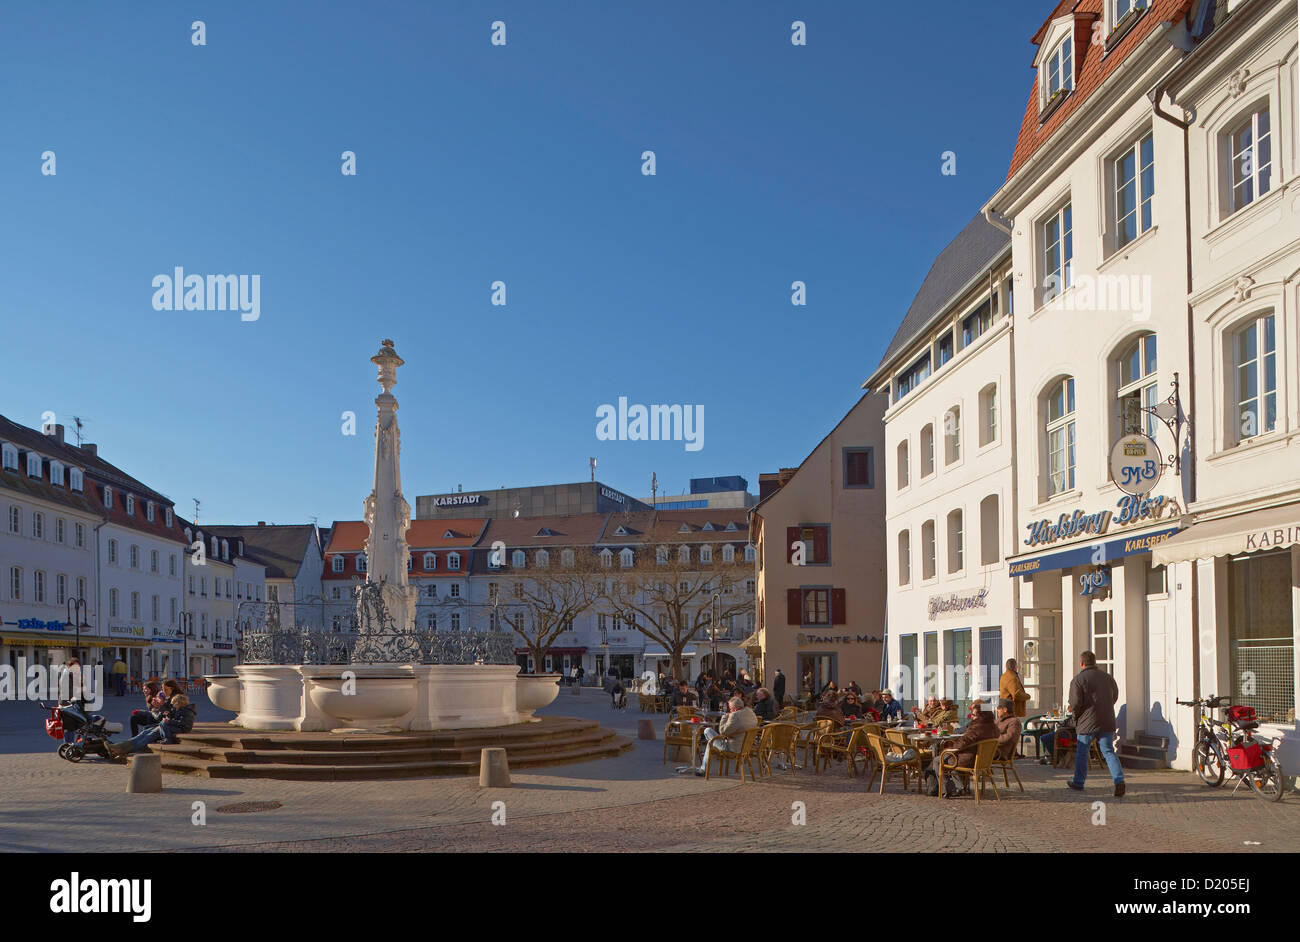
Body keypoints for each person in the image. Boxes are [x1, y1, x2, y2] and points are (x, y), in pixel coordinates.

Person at [1067, 650, 1125, 797]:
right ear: (1095, 662)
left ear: (1081, 663)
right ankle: (1119, 781)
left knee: (1082, 751)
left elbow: (1075, 703)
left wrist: (1075, 716)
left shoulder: (1079, 679)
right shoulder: (1107, 678)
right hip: (1107, 719)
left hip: (1087, 721)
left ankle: (1079, 782)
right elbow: (1115, 696)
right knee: (1108, 751)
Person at [929, 700, 998, 793]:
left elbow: (964, 741)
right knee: (950, 762)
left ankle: (945, 790)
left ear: (981, 716)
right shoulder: (994, 727)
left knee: (938, 760)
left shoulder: (977, 727)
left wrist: (950, 748)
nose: (972, 717)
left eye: (973, 715)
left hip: (969, 759)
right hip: (984, 760)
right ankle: (960, 787)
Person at [107, 693, 196, 759]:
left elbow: (183, 724)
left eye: (174, 704)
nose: (172, 706)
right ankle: (118, 746)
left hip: (176, 729)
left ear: (179, 703)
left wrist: (169, 721)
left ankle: (122, 749)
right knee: (144, 733)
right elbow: (171, 717)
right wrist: (165, 715)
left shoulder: (187, 711)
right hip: (167, 727)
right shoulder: (178, 709)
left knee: (147, 737)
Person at [685, 696, 757, 777]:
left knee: (707, 731)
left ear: (735, 709)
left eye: (730, 708)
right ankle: (703, 769)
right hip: (745, 746)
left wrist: (724, 717)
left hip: (732, 748)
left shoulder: (735, 716)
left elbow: (723, 732)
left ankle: (703, 769)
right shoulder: (750, 712)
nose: (729, 711)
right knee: (710, 742)